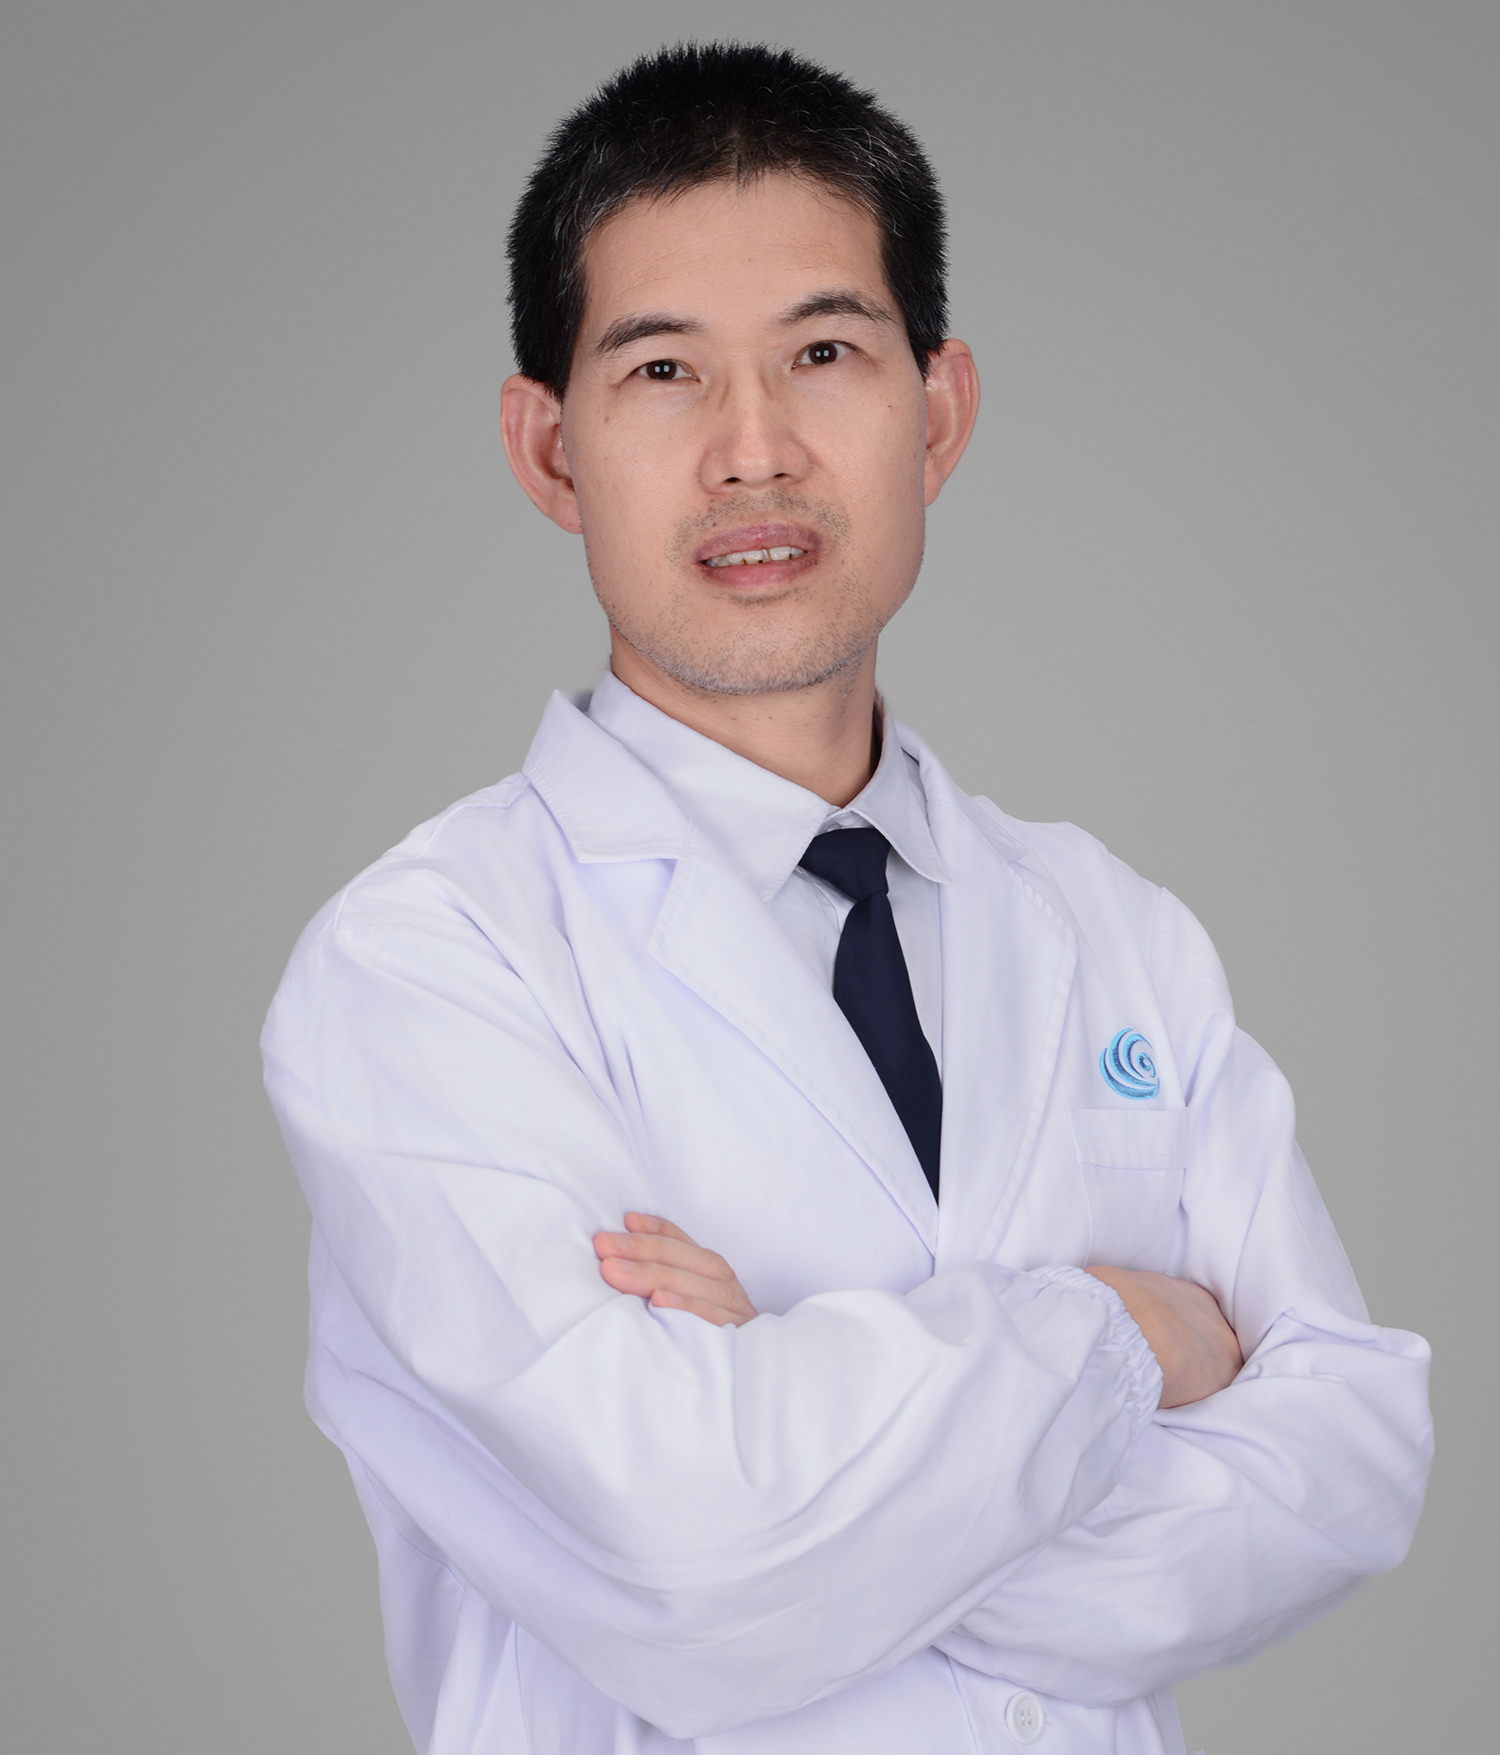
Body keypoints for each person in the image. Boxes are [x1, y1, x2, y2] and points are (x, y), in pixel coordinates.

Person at [262, 42, 1432, 1755]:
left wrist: (819, 1421)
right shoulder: (425, 968)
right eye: (664, 371)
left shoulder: (1114, 928)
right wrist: (1123, 1336)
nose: (754, 452)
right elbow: (698, 1569)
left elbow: (1351, 1465)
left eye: (823, 353)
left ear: (936, 412)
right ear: (550, 449)